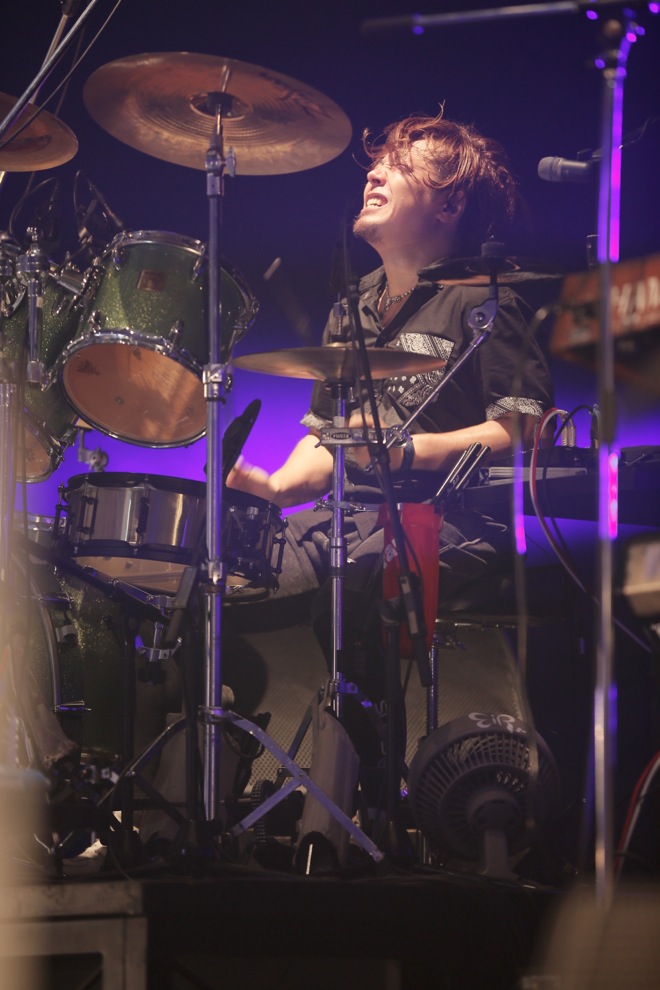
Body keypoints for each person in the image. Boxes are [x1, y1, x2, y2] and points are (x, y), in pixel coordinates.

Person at [226, 108, 554, 816]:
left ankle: (367, 802)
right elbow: (327, 440)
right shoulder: (353, 309)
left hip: (452, 522)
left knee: (354, 589)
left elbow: (525, 429)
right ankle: (217, 782)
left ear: (448, 203)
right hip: (349, 519)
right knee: (212, 575)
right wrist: (270, 488)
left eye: (398, 167)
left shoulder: (485, 302)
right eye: (375, 166)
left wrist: (411, 450)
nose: (373, 175)